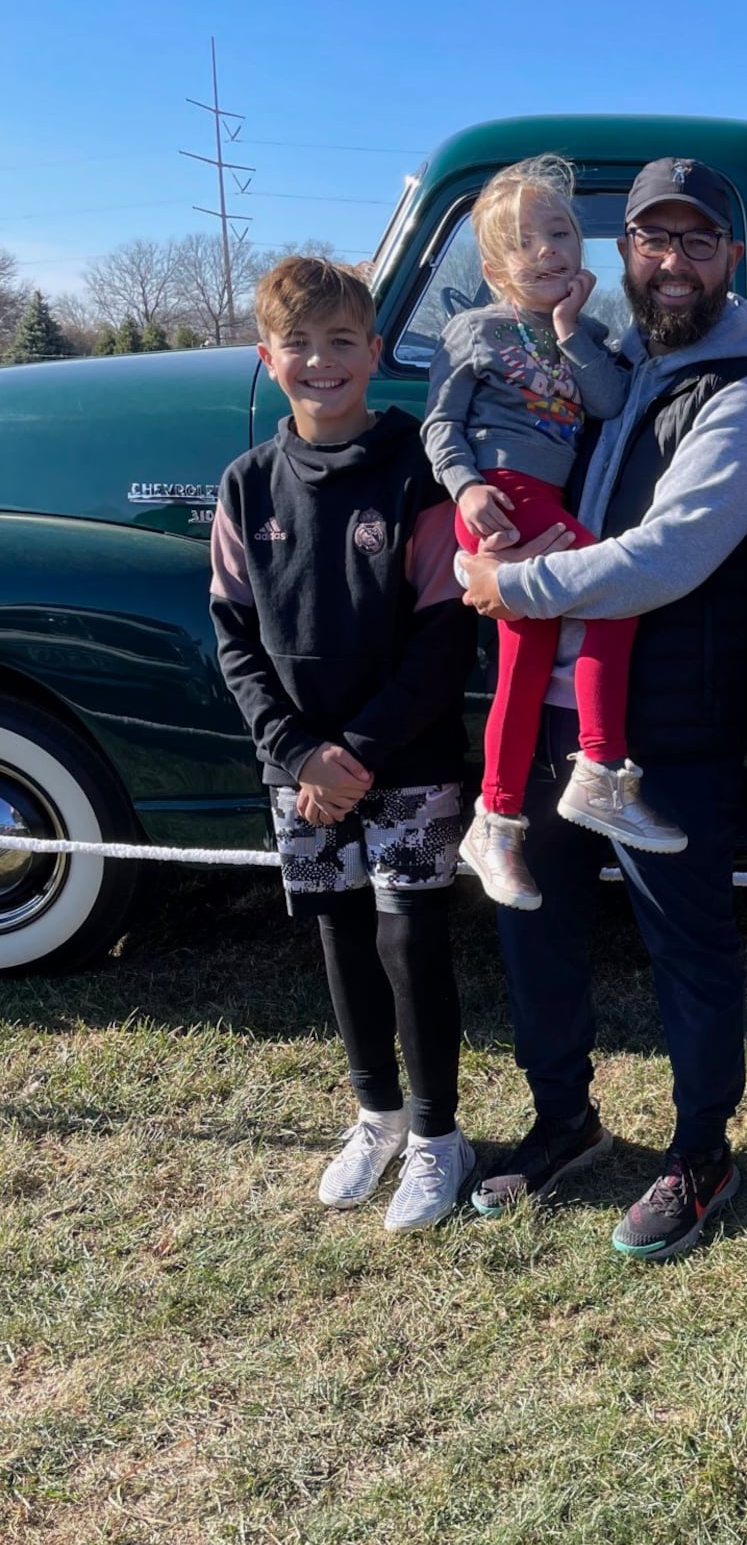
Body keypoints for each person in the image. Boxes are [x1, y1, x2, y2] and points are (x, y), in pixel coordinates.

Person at [457, 158, 747, 1254]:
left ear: (731, 258)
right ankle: (565, 1121)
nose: (674, 260)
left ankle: (702, 1151)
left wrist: (513, 586)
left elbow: (670, 556)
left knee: (684, 942)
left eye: (699, 241)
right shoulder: (596, 360)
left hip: (666, 724)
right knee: (535, 925)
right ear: (625, 253)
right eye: (655, 239)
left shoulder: (742, 394)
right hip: (552, 715)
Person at [210, 257, 478, 1232]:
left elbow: (446, 634)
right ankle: (375, 1115)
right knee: (338, 933)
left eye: (339, 343)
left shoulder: (416, 475)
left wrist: (354, 749)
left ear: (373, 351)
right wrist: (299, 753)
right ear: (267, 358)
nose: (320, 362)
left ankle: (439, 1138)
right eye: (298, 345)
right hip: (301, 770)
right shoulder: (246, 485)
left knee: (409, 939)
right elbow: (235, 640)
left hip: (404, 760)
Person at [424, 155, 684, 911]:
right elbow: (440, 420)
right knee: (613, 590)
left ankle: (496, 820)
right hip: (503, 499)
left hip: (539, 502)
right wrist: (466, 487)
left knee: (526, 668)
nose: (549, 251)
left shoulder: (591, 332)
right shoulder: (472, 329)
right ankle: (599, 768)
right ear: (497, 264)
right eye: (527, 241)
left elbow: (606, 400)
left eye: (563, 232)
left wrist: (572, 329)